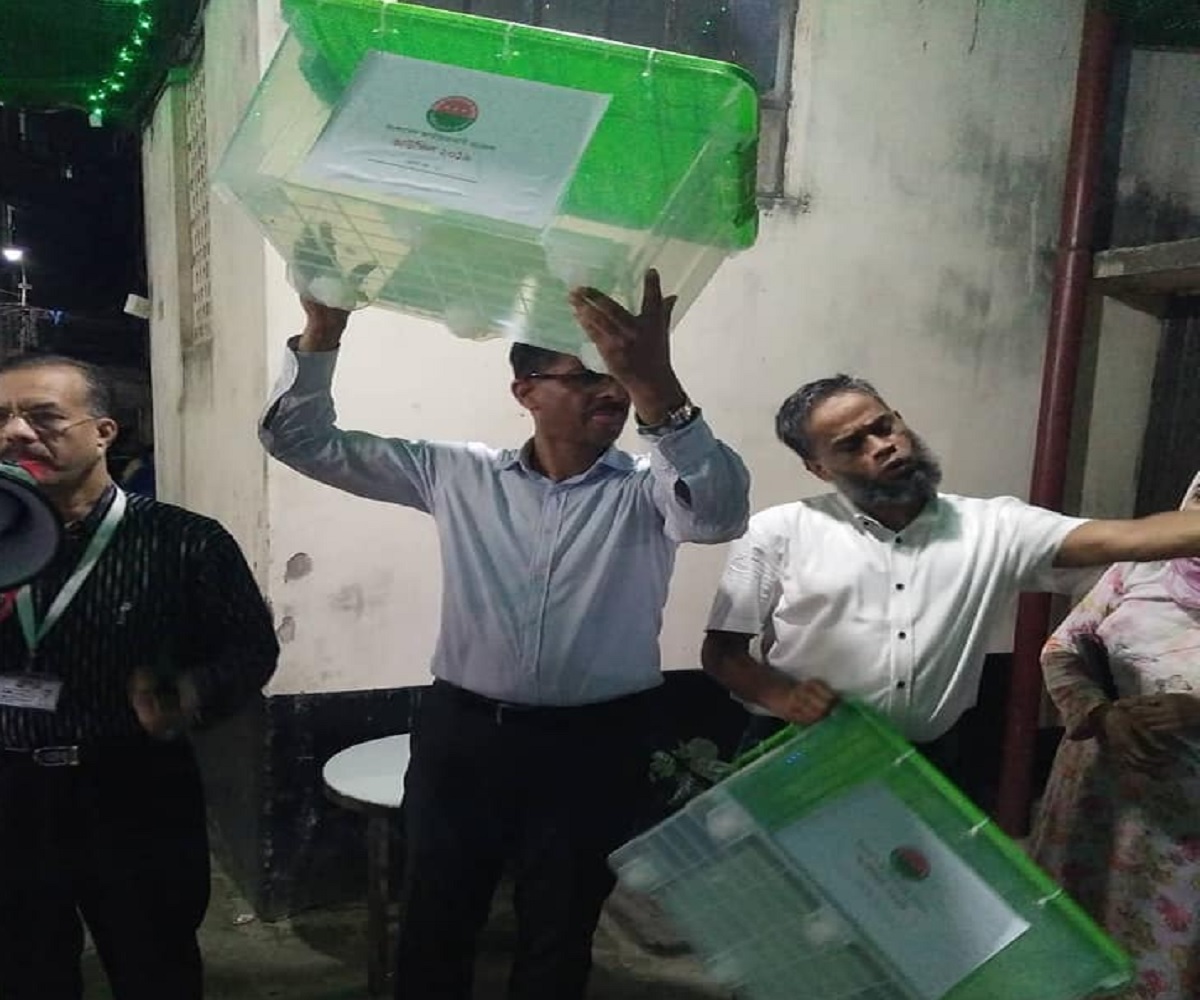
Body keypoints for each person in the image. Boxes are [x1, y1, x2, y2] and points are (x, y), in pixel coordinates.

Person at [258, 270, 750, 1000]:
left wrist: (659, 385)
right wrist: (323, 331)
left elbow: (719, 514)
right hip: (465, 738)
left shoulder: (648, 490)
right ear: (526, 393)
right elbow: (299, 440)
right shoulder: (457, 473)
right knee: (435, 920)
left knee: (560, 930)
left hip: (597, 745)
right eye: (585, 376)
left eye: (615, 376)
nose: (611, 392)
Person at [702, 374, 1200, 787]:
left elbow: (1129, 538)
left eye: (884, 426)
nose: (883, 446)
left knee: (909, 880)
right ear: (818, 469)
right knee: (770, 876)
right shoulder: (778, 531)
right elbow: (722, 652)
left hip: (925, 764)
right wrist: (783, 697)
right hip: (794, 750)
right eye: (853, 445)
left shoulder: (994, 527)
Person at [0, 354, 280, 1000]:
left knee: (154, 963)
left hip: (131, 787)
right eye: (2, 419)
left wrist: (188, 695)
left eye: (42, 417)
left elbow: (250, 650)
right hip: (12, 788)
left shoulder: (184, 541)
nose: (15, 433)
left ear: (104, 432)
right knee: (23, 966)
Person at [1029, 471, 1200, 1000]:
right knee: (1068, 937)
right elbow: (1061, 651)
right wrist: (1101, 714)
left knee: (1161, 954)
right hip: (1097, 795)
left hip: (1183, 832)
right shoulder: (1142, 567)